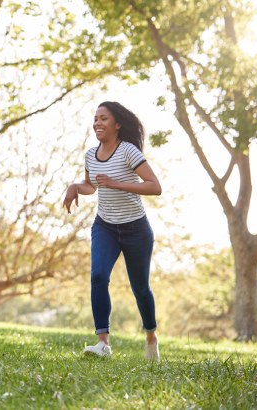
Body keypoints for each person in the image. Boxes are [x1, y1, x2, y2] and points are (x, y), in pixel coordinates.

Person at [63, 101, 162, 361]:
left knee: (140, 287)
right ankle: (103, 344)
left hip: (136, 229)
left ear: (117, 124)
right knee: (98, 277)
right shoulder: (90, 155)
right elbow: (91, 186)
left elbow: (154, 186)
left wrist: (117, 184)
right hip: (105, 226)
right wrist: (75, 187)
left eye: (103, 118)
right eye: (95, 118)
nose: (97, 123)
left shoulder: (128, 151)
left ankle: (151, 336)